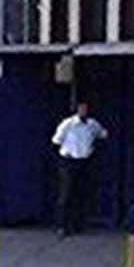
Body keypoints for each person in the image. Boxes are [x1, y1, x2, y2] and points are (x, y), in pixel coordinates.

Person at [51, 101, 109, 237]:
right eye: (81, 109)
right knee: (65, 194)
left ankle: (78, 225)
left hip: (84, 162)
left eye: (86, 109)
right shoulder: (68, 124)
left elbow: (103, 134)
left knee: (81, 194)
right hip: (69, 161)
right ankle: (62, 226)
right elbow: (56, 141)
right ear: (76, 110)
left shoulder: (92, 124)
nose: (84, 111)